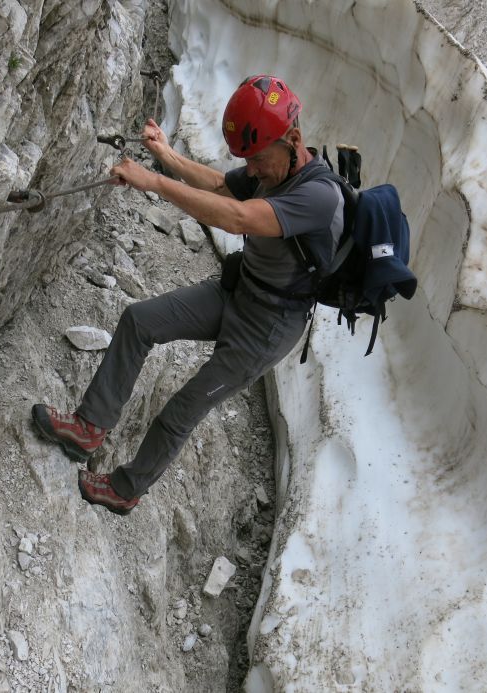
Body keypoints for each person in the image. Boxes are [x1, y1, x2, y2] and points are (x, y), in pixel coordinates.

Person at [32, 75, 344, 515]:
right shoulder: (273, 165)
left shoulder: (318, 197)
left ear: (293, 139)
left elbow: (236, 217)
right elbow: (221, 186)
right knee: (140, 321)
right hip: (239, 292)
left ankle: (125, 490)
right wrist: (165, 154)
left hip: (267, 328)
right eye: (248, 161)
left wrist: (154, 182)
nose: (251, 171)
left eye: (256, 160)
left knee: (180, 411)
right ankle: (89, 427)